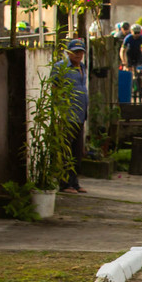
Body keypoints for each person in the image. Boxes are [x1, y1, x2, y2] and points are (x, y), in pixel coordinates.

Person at [56, 39, 90, 194]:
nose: (78, 55)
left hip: (80, 115)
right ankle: (64, 184)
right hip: (67, 115)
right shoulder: (61, 67)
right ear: (68, 53)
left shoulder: (82, 67)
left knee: (77, 151)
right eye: (75, 52)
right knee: (66, 151)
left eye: (80, 52)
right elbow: (54, 88)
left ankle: (74, 182)